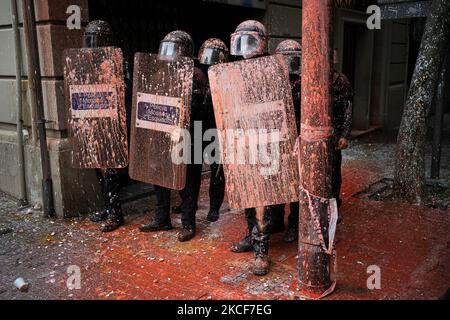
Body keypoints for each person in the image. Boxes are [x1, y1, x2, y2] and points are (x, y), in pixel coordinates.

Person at [139, 30, 207, 242]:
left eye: (174, 49)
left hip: (190, 134)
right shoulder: (160, 73)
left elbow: (193, 109)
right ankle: (162, 218)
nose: (170, 54)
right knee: (160, 175)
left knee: (189, 180)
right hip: (164, 134)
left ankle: (188, 223)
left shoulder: (195, 74)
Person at [227, 20, 280, 276]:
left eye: (250, 41)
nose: (246, 48)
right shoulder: (236, 69)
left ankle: (262, 251)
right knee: (248, 193)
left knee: (263, 200)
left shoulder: (272, 69)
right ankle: (251, 236)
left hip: (266, 141)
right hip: (242, 139)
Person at [86, 20, 132, 233]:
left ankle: (115, 213)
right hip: (94, 120)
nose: (93, 43)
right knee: (99, 168)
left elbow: (127, 91)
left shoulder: (117, 62)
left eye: (97, 38)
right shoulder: (86, 63)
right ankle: (107, 207)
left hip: (112, 121)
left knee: (111, 169)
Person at [197, 38, 229, 223]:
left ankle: (214, 207)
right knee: (189, 169)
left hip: (216, 128)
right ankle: (188, 202)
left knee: (217, 170)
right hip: (197, 126)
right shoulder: (196, 73)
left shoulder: (225, 76)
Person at [274, 39, 302, 243]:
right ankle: (276, 220)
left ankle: (294, 223)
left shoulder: (304, 82)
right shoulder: (274, 81)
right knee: (276, 181)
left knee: (296, 183)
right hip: (276, 138)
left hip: (297, 139)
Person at [332, 50, 353, 215]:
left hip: (334, 133)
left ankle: (333, 208)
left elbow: (347, 108)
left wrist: (344, 135)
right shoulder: (307, 79)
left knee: (333, 172)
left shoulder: (341, 81)